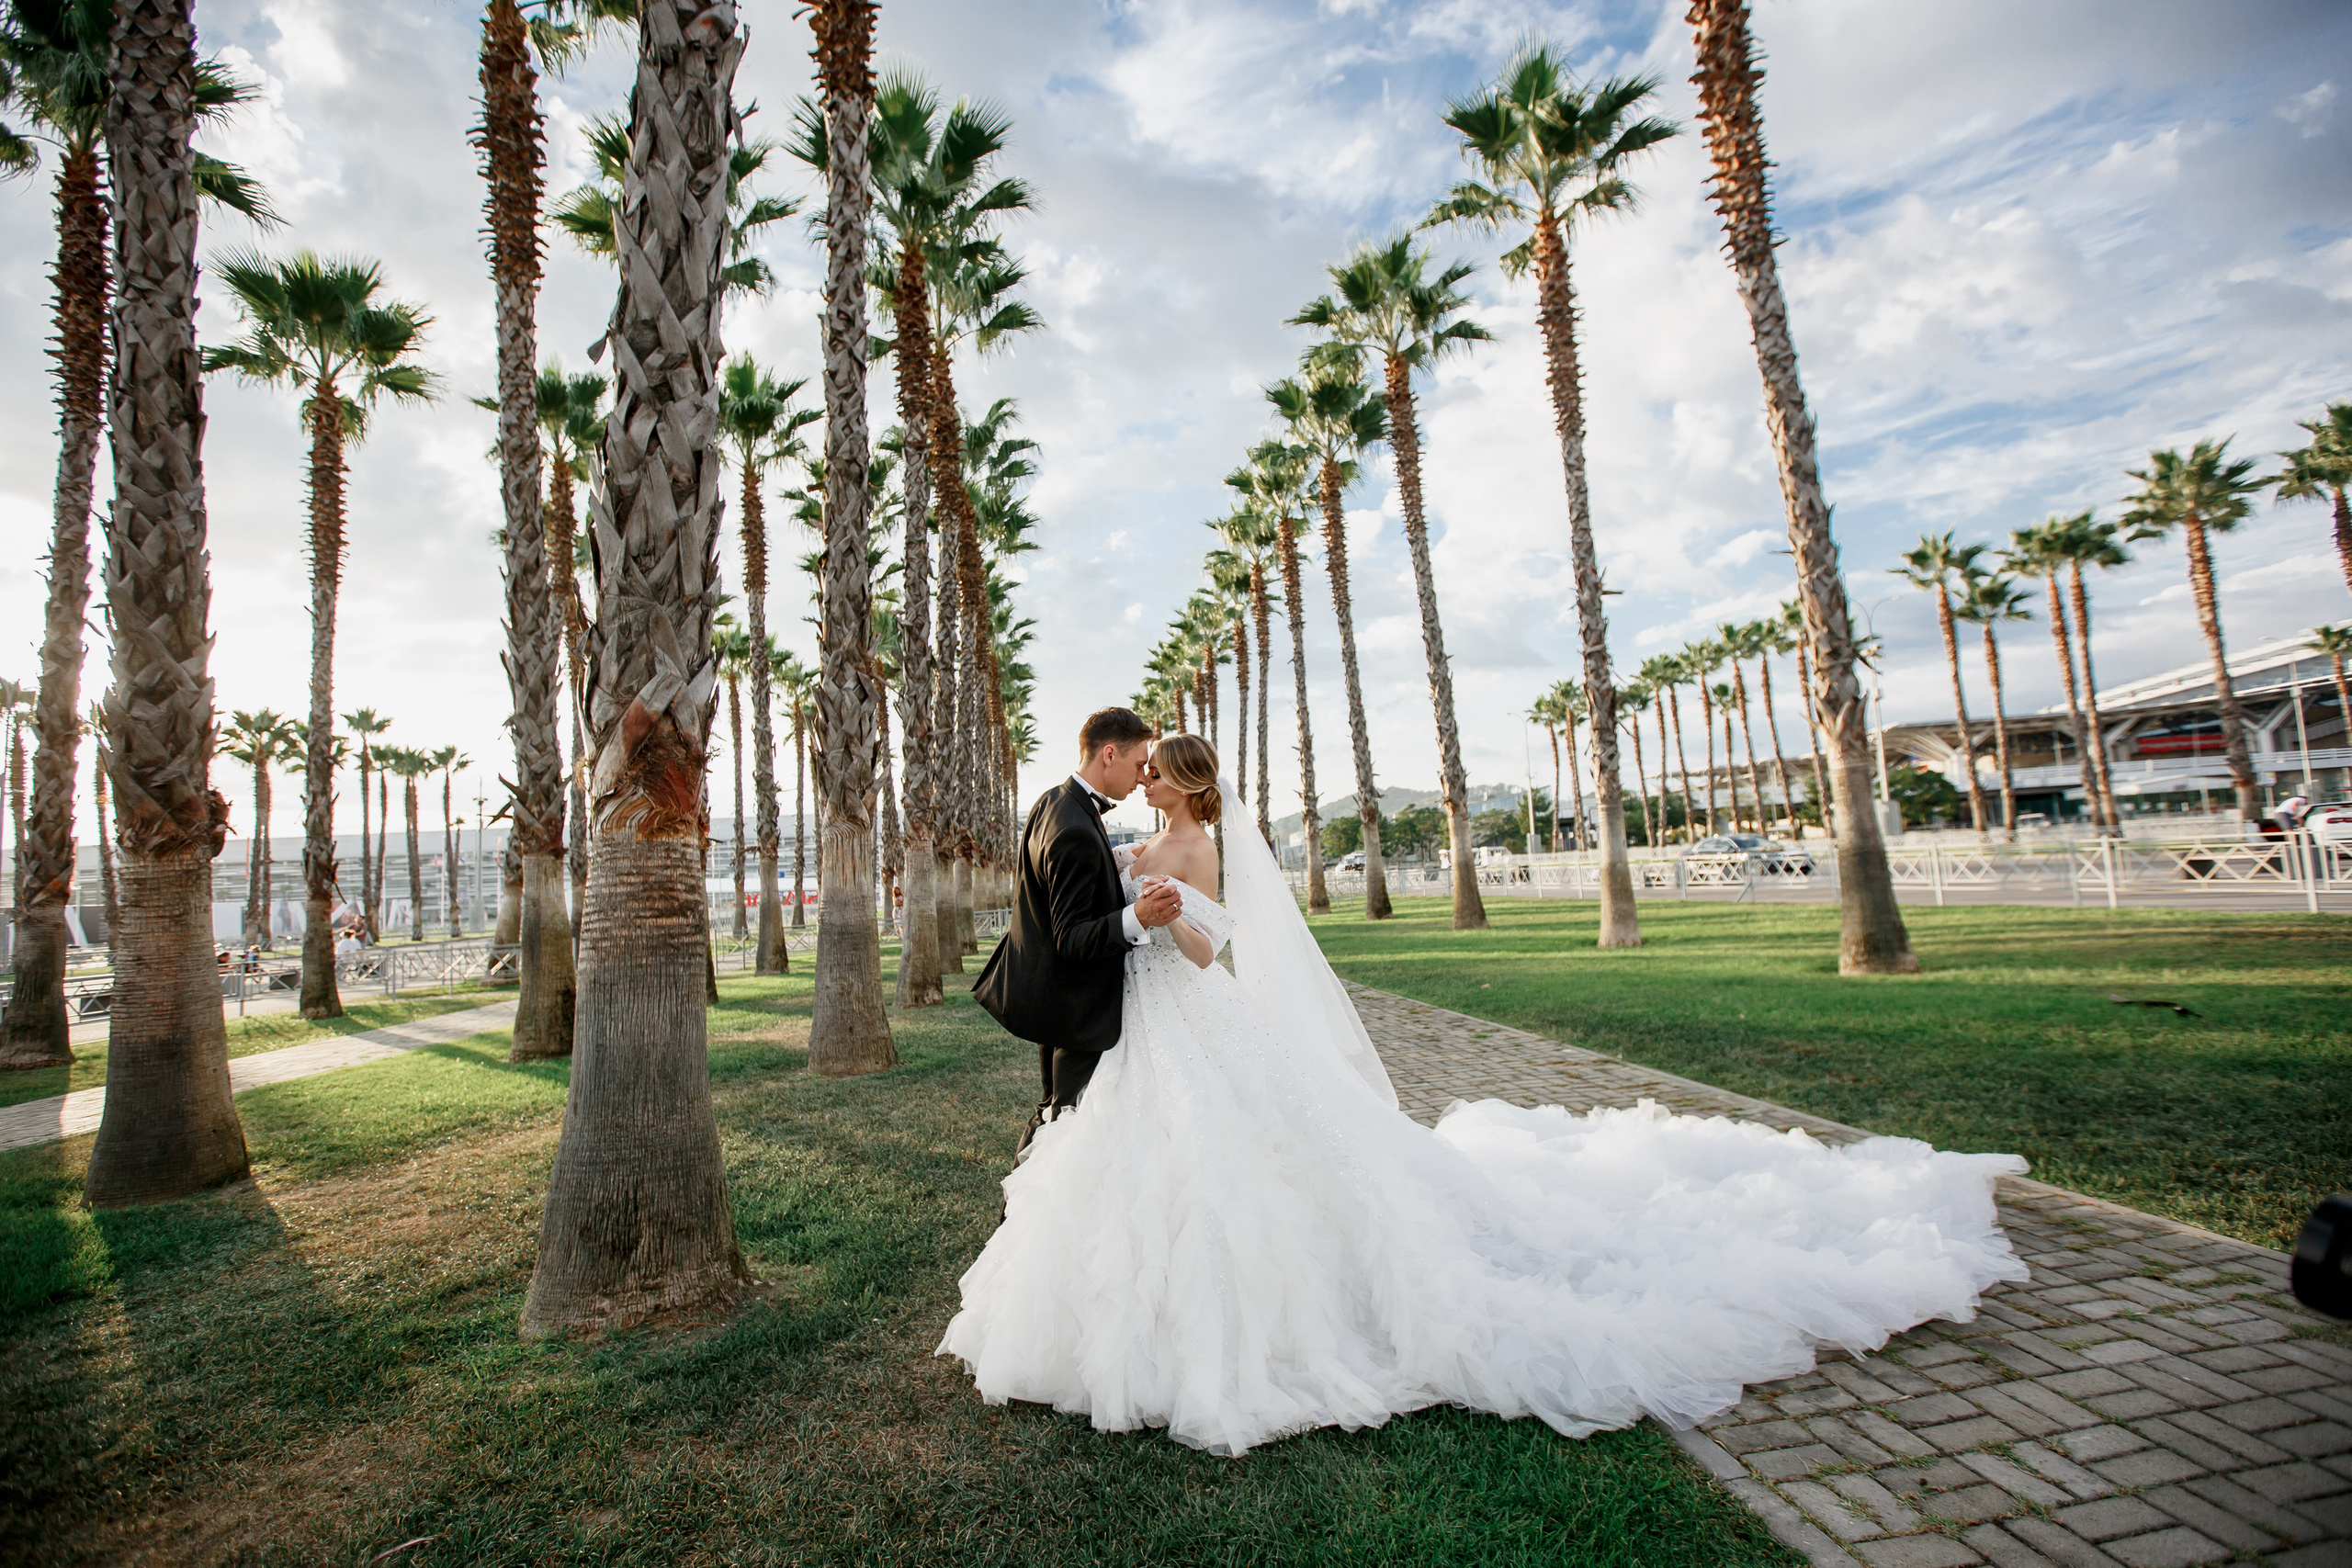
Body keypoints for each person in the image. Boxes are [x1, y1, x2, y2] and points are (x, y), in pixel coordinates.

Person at [940, 732, 2028, 1457]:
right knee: (1152, 1170)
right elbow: (1110, 897)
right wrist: (1140, 897)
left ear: (1176, 783)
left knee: (1246, 1166)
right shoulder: (1133, 835)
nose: (1142, 786)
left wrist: (1168, 911)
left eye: (1153, 775)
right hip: (1146, 1036)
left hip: (1190, 1014)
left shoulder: (1201, 846)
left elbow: (1210, 951)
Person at [974, 706, 1182, 1159]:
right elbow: (1070, 937)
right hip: (1075, 1006)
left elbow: (1062, 883)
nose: (1142, 775)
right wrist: (1139, 916)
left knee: (1054, 1111)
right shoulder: (1074, 827)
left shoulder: (1053, 801)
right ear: (1110, 754)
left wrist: (1116, 857)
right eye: (1138, 763)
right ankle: (1022, 1221)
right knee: (1063, 1123)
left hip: (1051, 996)